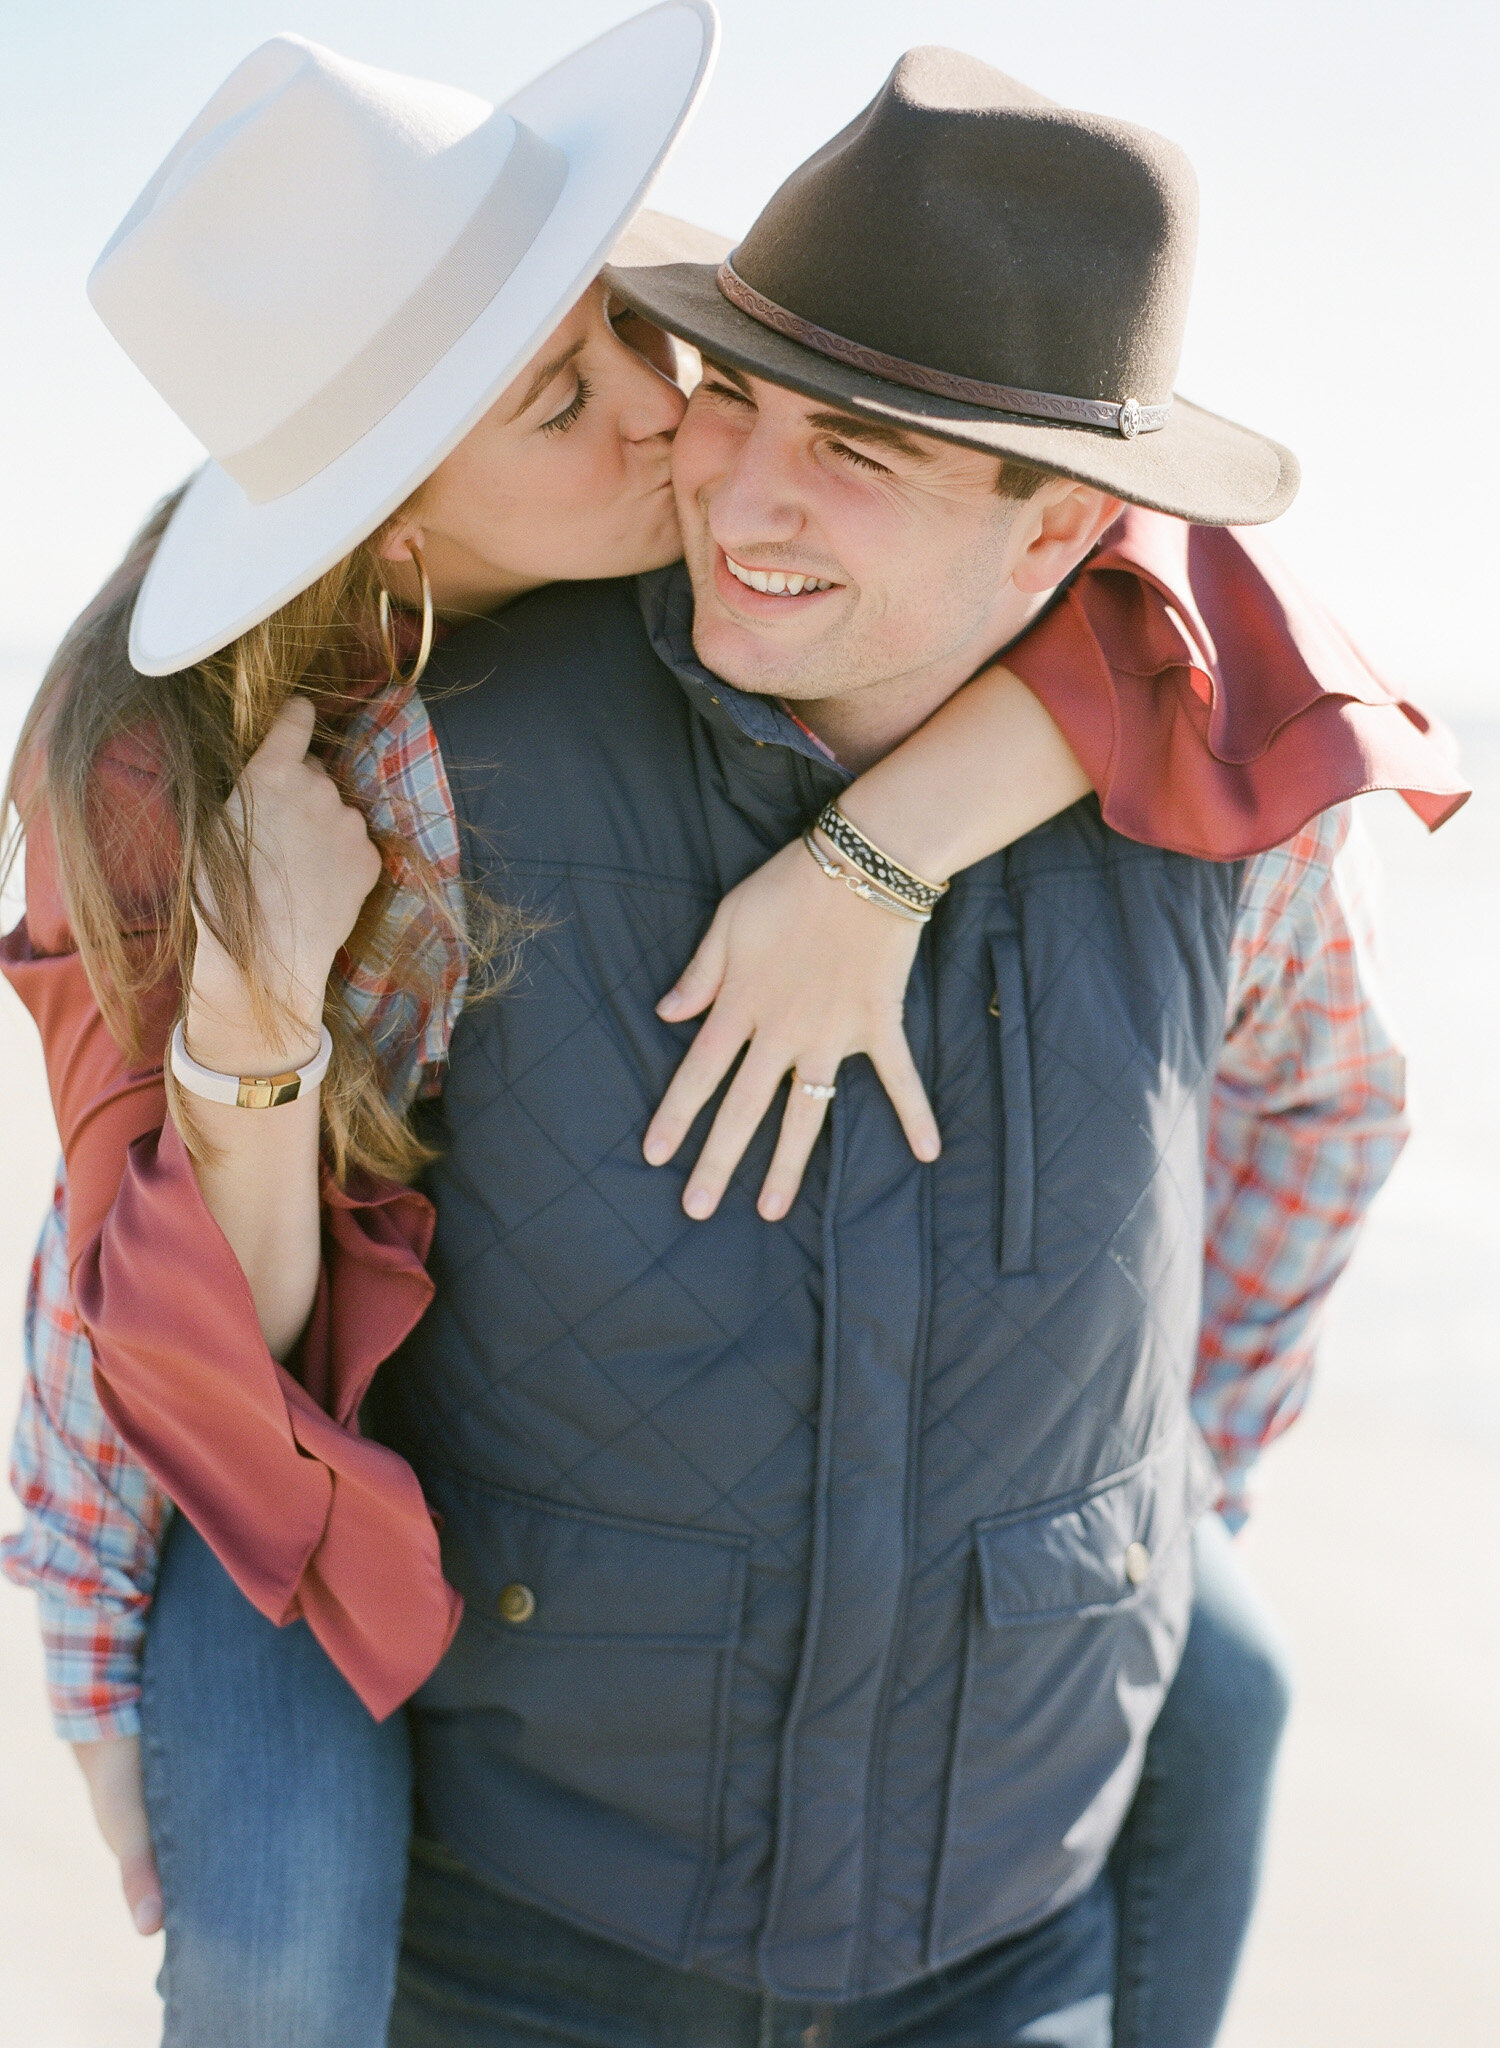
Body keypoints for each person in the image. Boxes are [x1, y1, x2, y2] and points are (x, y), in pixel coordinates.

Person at [0, 22, 1463, 2048]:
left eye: (642, 349)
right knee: (270, 1916)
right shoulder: (252, 800)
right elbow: (124, 1332)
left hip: (991, 1889)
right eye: (695, 398)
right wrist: (95, 1676)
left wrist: (1152, 1498)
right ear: (401, 534)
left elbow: (1320, 1044)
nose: (695, 454)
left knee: (1232, 1678)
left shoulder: (1190, 735)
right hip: (425, 1743)